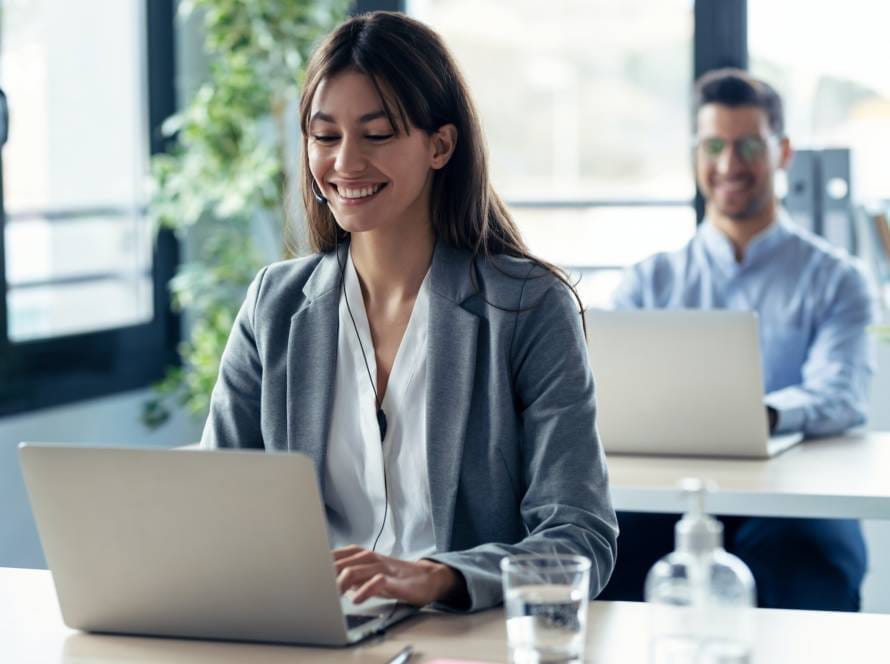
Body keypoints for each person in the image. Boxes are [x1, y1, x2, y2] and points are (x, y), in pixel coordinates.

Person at [200, 11, 618, 612]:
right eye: (325, 136)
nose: (345, 162)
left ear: (440, 146)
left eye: (376, 134)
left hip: (458, 635)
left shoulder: (527, 308)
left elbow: (580, 538)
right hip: (313, 631)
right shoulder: (275, 304)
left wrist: (439, 576)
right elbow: (217, 506)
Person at [600, 69, 876, 611]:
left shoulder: (838, 278)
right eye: (714, 146)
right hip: (667, 494)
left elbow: (842, 393)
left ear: (783, 152)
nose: (730, 165)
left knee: (809, 566)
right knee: (604, 556)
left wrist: (761, 414)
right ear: (696, 153)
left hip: (800, 500)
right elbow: (604, 390)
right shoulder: (648, 281)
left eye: (749, 145)